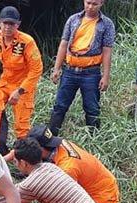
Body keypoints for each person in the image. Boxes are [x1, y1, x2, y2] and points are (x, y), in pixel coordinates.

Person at [48, 0, 115, 134]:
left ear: (101, 3)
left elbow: (107, 50)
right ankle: (49, 139)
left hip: (91, 72)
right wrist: (57, 68)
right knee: (60, 106)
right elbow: (63, 43)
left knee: (92, 108)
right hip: (70, 70)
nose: (90, 7)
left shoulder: (107, 24)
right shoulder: (73, 19)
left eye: (95, 4)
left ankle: (94, 140)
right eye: (88, 3)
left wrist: (106, 76)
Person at [0, 6, 43, 140]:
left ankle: (24, 155)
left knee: (22, 126)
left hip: (23, 86)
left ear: (18, 25)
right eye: (5, 23)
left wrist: (20, 91)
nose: (8, 27)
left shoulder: (26, 42)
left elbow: (36, 70)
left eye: (12, 24)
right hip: (4, 82)